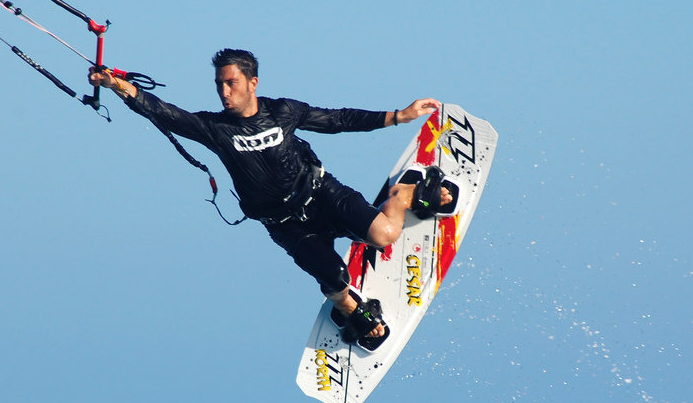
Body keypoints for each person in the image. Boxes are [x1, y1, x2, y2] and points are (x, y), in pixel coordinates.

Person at [89, 49, 451, 349]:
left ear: (253, 83)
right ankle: (351, 308)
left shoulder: (283, 112)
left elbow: (337, 119)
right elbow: (165, 112)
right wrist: (118, 85)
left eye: (231, 83)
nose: (224, 92)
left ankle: (405, 194)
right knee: (335, 283)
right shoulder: (215, 129)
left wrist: (398, 116)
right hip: (286, 226)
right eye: (219, 85)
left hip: (322, 193)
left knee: (385, 235)